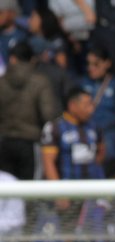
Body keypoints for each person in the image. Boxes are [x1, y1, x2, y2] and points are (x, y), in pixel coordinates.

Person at [0, 42, 60, 181]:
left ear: (12, 59)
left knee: (4, 190)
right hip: (30, 142)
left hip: (3, 141)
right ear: (32, 59)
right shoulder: (40, 82)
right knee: (30, 191)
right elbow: (49, 114)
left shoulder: (1, 82)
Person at [42, 88, 104, 181]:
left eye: (92, 105)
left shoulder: (94, 127)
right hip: (67, 188)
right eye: (86, 105)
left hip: (91, 189)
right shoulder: (55, 128)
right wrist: (58, 192)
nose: (91, 110)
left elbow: (101, 151)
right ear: (72, 105)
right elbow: (48, 162)